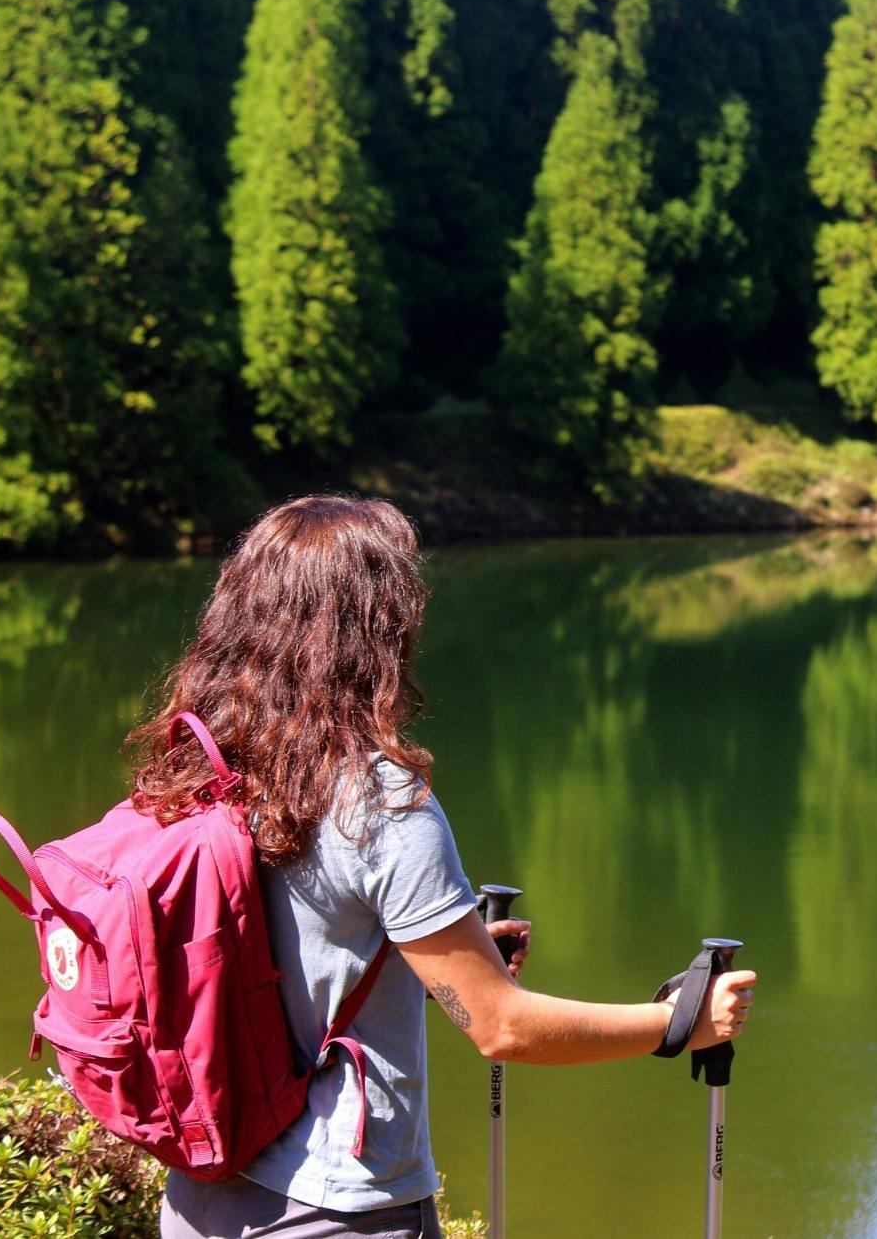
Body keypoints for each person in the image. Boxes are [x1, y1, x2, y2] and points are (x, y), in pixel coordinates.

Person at [128, 495, 757, 1237]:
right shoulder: (379, 800)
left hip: (202, 1194)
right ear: (378, 628)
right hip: (338, 1210)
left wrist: (437, 962)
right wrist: (680, 1022)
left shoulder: (201, 764)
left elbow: (265, 955)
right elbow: (500, 1027)